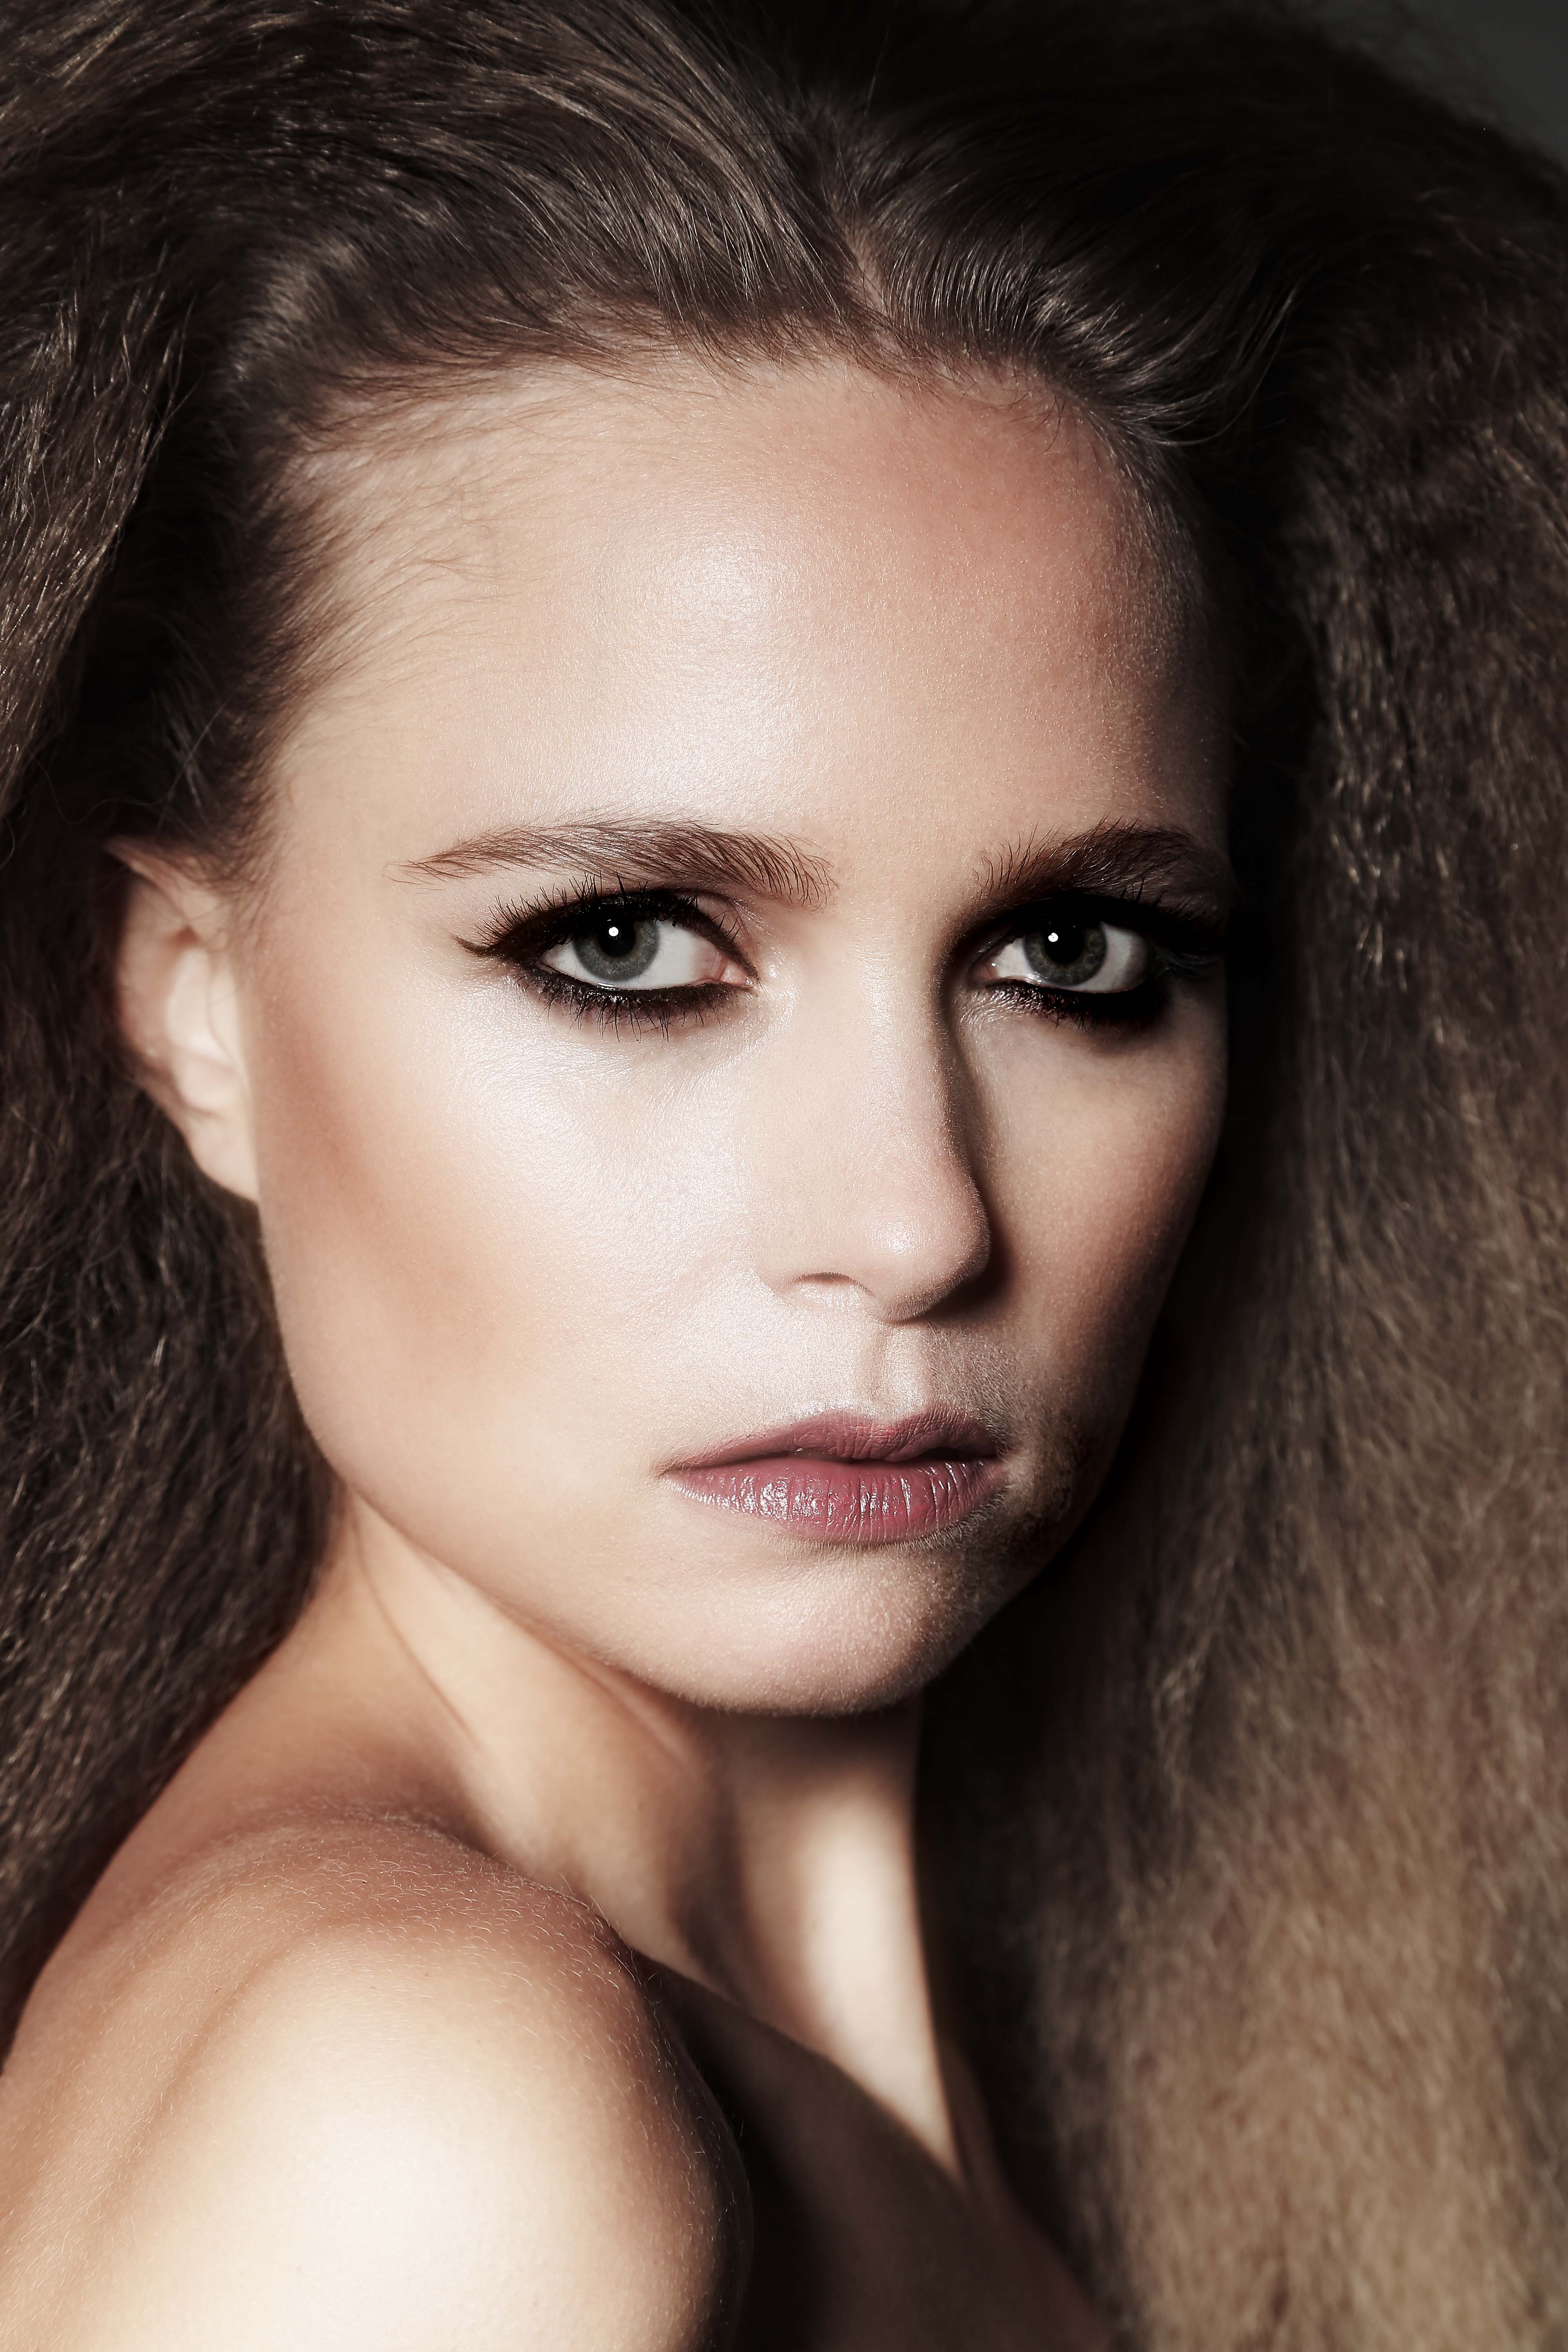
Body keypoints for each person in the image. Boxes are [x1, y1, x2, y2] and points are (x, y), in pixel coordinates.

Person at [0, 1, 1563, 2344]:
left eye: (1070, 955)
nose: (918, 1224)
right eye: (627, 948)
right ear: (194, 1005)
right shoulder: (425, 2110)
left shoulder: (913, 2079)